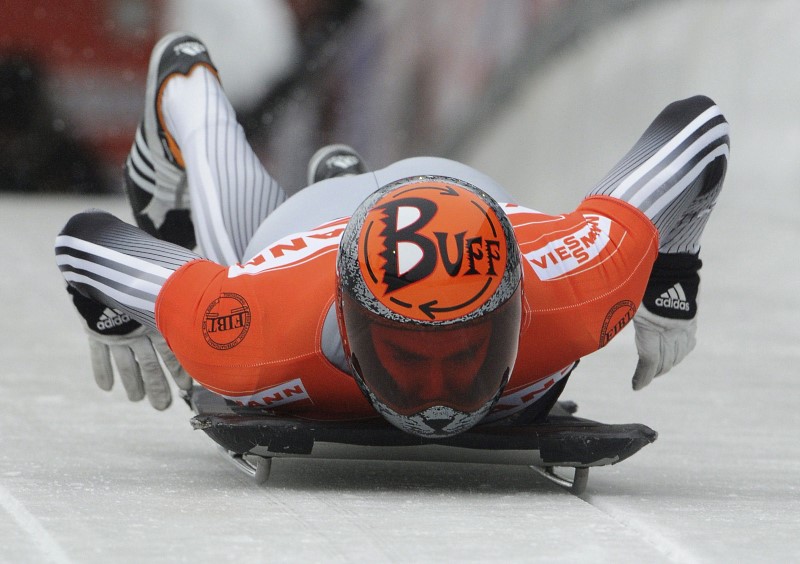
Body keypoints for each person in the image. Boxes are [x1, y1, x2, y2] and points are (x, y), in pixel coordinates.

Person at [55, 33, 729, 438]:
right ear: (349, 327)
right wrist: (670, 274)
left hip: (443, 195)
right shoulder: (250, 328)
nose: (437, 397)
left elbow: (700, 126)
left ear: (513, 312)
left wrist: (668, 278)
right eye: (406, 357)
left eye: (467, 352)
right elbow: (85, 243)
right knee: (226, 223)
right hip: (310, 231)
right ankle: (183, 78)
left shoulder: (582, 287)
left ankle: (339, 174)